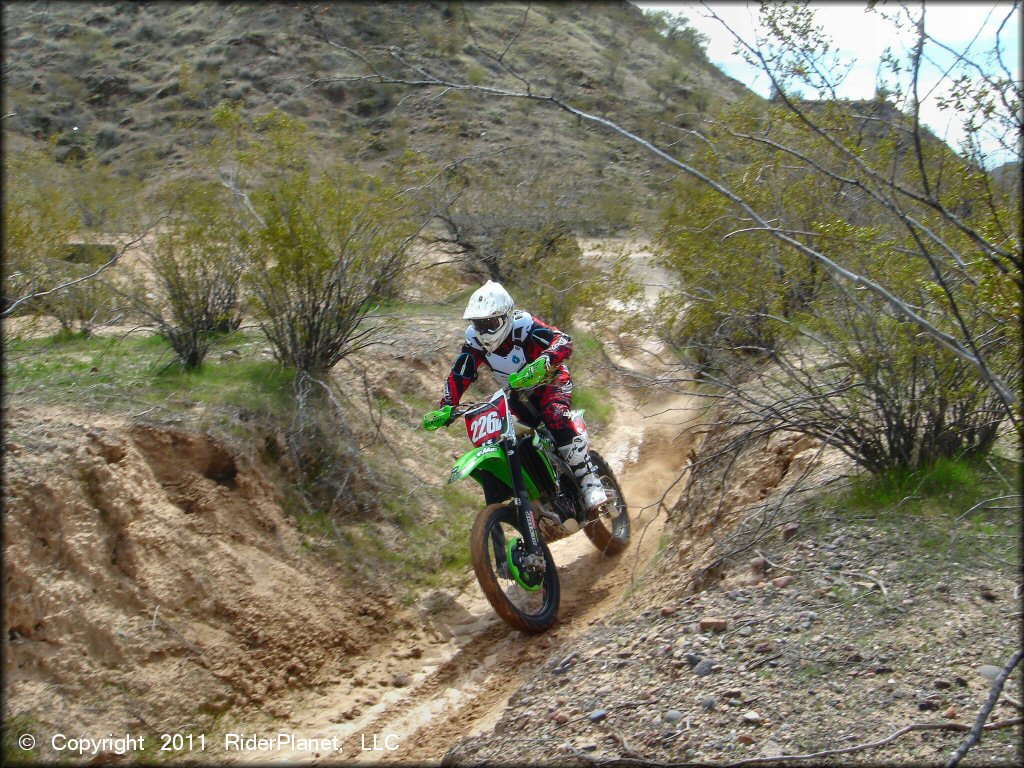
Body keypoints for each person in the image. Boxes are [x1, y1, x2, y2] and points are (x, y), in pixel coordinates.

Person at [439, 280, 608, 510]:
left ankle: (589, 480)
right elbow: (461, 373)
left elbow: (563, 340)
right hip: (516, 395)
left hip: (550, 381)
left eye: (490, 323)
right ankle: (535, 493)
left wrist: (545, 359)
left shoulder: (524, 327)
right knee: (505, 436)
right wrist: (447, 405)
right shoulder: (474, 343)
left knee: (554, 414)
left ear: (506, 316)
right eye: (479, 324)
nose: (485, 331)